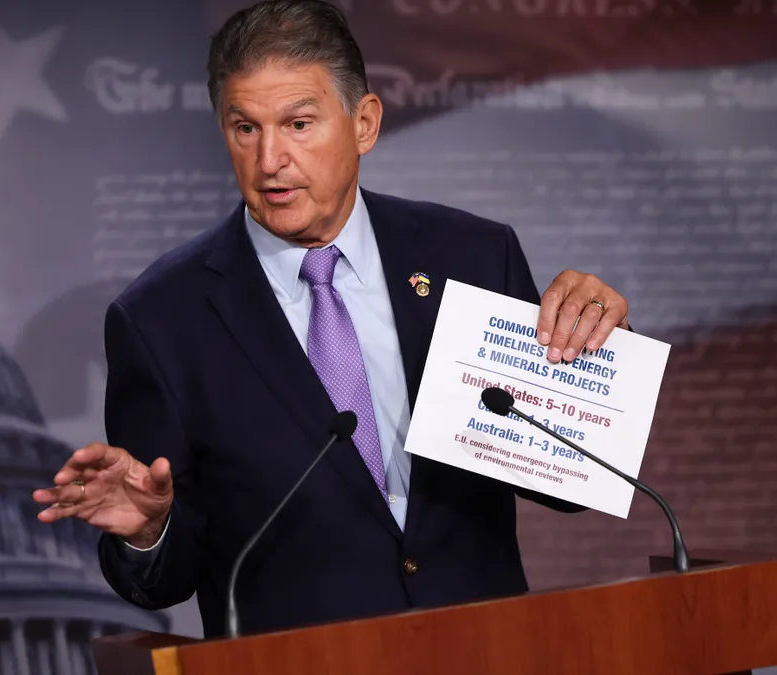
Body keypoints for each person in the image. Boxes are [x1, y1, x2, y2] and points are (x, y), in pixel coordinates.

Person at [33, 0, 631, 638]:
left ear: (364, 123)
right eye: (245, 128)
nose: (269, 161)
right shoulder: (161, 321)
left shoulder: (472, 257)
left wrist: (596, 348)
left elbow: (571, 482)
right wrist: (151, 531)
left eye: (298, 123)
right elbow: (166, 576)